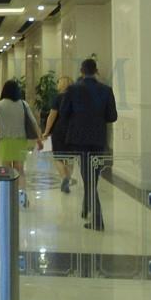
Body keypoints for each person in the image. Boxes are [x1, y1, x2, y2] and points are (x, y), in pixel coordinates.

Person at [60, 59, 117, 231]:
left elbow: (64, 113)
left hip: (80, 140)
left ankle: (98, 220)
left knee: (88, 179)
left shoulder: (73, 89)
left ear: (82, 71)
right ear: (96, 70)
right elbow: (112, 116)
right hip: (98, 140)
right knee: (92, 177)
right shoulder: (106, 90)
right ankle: (86, 207)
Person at [0, 79, 43, 207]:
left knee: (6, 170)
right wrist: (39, 138)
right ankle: (22, 197)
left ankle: (6, 198)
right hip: (20, 140)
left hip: (5, 141)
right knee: (20, 170)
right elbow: (33, 122)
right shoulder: (23, 104)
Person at [42, 76, 74, 193]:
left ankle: (64, 177)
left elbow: (52, 116)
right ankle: (68, 179)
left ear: (62, 84)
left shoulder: (58, 98)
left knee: (58, 157)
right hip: (73, 131)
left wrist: (46, 132)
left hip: (59, 131)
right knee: (70, 158)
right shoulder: (76, 98)